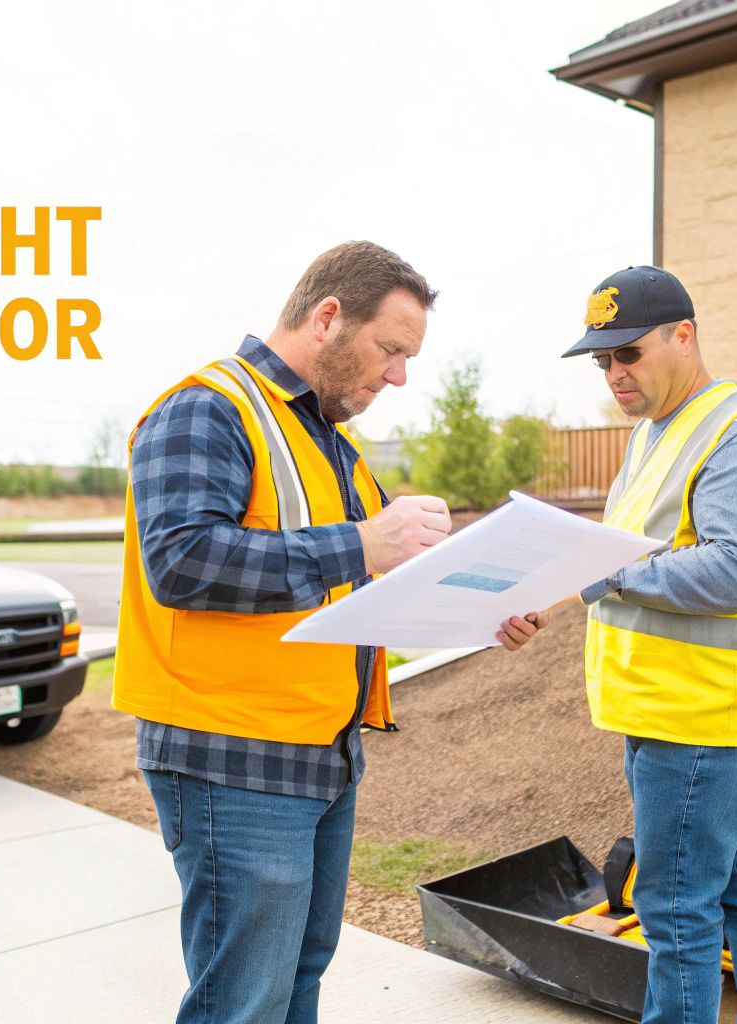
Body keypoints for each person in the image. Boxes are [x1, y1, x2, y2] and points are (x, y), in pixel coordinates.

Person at [113, 241, 450, 1024]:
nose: (398, 375)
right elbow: (184, 561)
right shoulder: (208, 408)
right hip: (232, 755)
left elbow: (359, 581)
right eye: (390, 349)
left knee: (297, 979)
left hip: (321, 753)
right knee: (246, 1001)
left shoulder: (332, 445)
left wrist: (473, 601)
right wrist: (366, 544)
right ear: (328, 317)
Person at [500, 266, 737, 1024]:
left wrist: (601, 573)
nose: (614, 373)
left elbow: (736, 572)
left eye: (628, 353)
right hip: (676, 709)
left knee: (675, 906)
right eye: (602, 360)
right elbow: (621, 561)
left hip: (706, 715)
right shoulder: (651, 437)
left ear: (684, 337)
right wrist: (552, 587)